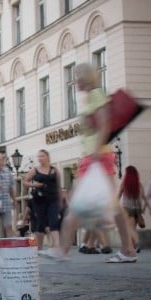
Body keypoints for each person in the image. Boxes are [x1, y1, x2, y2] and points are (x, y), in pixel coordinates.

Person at [46, 63, 138, 263]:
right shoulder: (90, 97)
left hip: (97, 157)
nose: (74, 80)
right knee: (104, 206)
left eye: (77, 76)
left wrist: (95, 152)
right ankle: (127, 249)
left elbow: (105, 124)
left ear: (86, 77)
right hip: (93, 157)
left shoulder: (96, 94)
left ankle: (64, 250)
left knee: (93, 205)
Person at [23, 150, 62, 250]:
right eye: (39, 157)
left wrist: (61, 201)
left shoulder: (55, 170)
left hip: (53, 199)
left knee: (54, 222)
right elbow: (25, 182)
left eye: (42, 156)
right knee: (41, 223)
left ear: (47, 157)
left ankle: (57, 246)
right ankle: (39, 247)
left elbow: (59, 187)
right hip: (39, 200)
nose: (40, 158)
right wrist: (34, 185)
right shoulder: (35, 170)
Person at [117, 165, 149, 253]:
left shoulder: (124, 183)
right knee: (132, 229)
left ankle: (137, 243)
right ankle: (131, 248)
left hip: (127, 209)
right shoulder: (139, 184)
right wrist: (147, 209)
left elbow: (119, 194)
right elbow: (144, 197)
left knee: (129, 228)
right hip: (137, 210)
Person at [0, 151, 17, 240]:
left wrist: (14, 200)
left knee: (8, 225)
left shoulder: (7, 171)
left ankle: (10, 246)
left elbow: (10, 187)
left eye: (1, 160)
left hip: (6, 203)